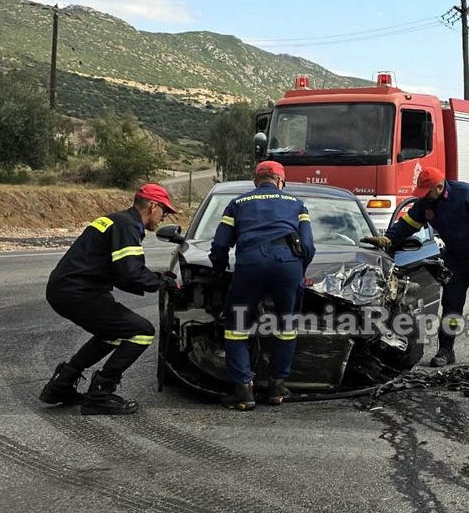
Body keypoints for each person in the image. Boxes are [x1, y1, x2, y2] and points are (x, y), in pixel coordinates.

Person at [40, 183, 180, 415]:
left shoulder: (119, 220)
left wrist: (156, 278)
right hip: (78, 292)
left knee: (115, 332)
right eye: (164, 211)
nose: (164, 217)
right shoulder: (128, 226)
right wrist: (161, 283)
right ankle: (101, 392)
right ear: (152, 206)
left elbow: (121, 272)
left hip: (67, 289)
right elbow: (130, 272)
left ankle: (61, 385)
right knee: (142, 331)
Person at [363, 167, 469, 368]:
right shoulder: (426, 203)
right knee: (451, 303)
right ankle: (446, 350)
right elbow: (408, 224)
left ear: (439, 187)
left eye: (427, 191)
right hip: (454, 258)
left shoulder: (466, 193)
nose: (424, 197)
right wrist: (388, 238)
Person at [209, 161, 315, 411]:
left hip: (250, 264)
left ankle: (244, 391)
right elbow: (308, 246)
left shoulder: (237, 204)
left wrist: (219, 270)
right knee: (287, 325)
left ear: (256, 181)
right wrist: (299, 272)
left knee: (236, 327)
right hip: (287, 264)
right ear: (281, 181)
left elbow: (220, 244)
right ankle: (277, 387)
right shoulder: (297, 204)